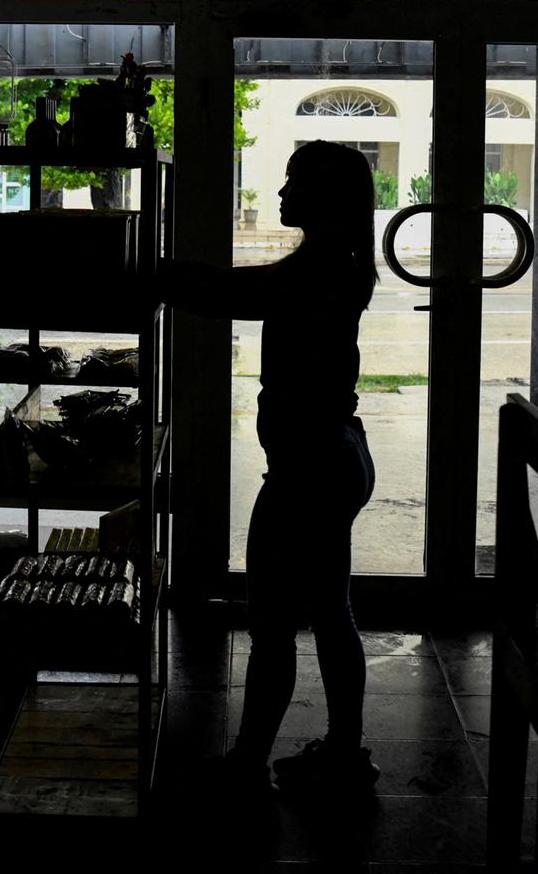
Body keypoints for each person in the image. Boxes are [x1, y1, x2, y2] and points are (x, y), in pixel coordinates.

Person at [158, 140, 379, 798]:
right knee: (330, 612)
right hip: (335, 455)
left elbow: (236, 292)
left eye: (293, 184)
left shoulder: (319, 270)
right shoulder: (337, 261)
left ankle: (248, 760)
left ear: (325, 197)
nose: (280, 195)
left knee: (273, 625)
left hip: (308, 470)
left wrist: (159, 271)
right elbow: (250, 287)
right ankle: (342, 751)